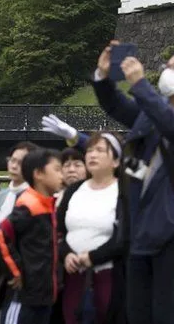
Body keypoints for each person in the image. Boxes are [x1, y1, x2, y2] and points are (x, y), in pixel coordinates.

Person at [92, 42, 174, 324]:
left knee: (168, 314)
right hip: (139, 231)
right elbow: (117, 105)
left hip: (173, 231)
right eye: (167, 66)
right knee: (137, 314)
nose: (167, 72)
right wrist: (103, 76)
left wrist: (140, 84)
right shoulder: (153, 111)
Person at [57, 132, 128, 324]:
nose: (92, 155)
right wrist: (67, 254)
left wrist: (93, 257)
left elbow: (125, 236)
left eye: (100, 150)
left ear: (115, 161)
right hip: (73, 275)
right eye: (89, 150)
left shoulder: (124, 192)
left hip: (108, 274)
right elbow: (58, 230)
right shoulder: (74, 190)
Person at [0, 149, 63, 324]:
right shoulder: (29, 205)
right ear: (39, 174)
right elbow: (0, 236)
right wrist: (15, 272)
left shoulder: (48, 205)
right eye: (57, 169)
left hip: (44, 293)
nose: (61, 175)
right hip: (25, 294)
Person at [0, 142, 39, 228]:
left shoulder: (38, 197)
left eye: (20, 163)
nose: (14, 166)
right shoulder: (1, 195)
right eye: (12, 160)